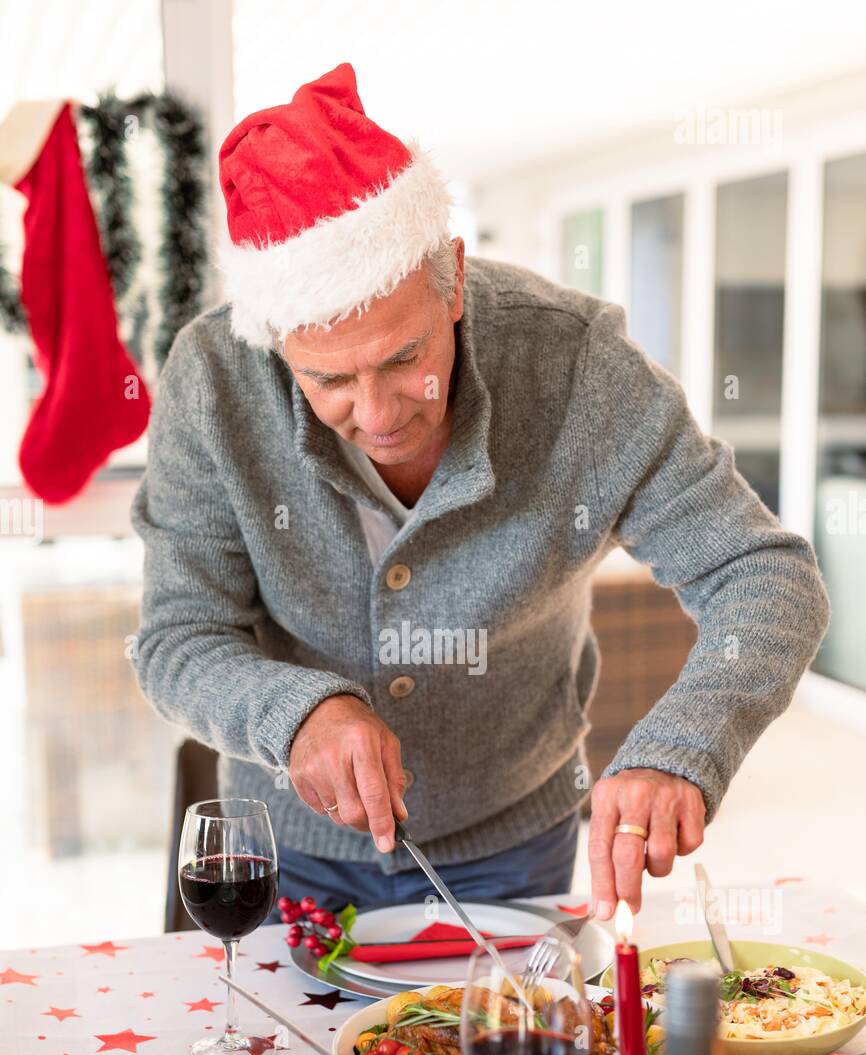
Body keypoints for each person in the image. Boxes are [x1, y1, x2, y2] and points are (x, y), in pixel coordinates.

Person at [131, 62, 829, 918]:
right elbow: (175, 638)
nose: (380, 413)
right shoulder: (213, 381)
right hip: (285, 843)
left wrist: (681, 747)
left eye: (403, 357)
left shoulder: (578, 369)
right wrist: (296, 713)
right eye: (330, 381)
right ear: (276, 341)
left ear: (453, 279)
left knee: (482, 1051)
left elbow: (765, 573)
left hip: (511, 842)